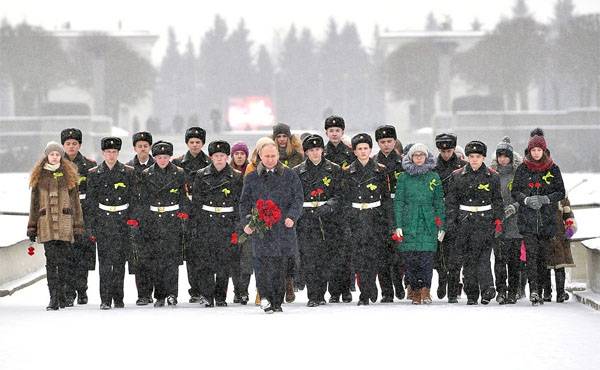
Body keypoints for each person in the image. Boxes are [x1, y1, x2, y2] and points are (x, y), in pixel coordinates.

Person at [239, 137, 304, 313]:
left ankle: (277, 300)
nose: (270, 159)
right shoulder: (252, 177)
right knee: (261, 265)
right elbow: (244, 203)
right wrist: (247, 222)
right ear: (260, 155)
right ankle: (265, 297)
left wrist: (292, 216)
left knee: (280, 266)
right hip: (261, 229)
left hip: (283, 228)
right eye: (266, 155)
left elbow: (298, 199)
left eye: (273, 155)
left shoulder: (289, 175)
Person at [27, 141, 84, 310]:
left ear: (61, 156)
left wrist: (78, 226)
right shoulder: (39, 177)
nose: (54, 157)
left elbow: (76, 204)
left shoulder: (69, 176)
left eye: (57, 154)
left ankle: (64, 295)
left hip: (65, 225)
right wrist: (32, 227)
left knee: (65, 262)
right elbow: (34, 205)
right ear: (47, 156)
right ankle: (53, 298)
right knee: (51, 263)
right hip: (47, 226)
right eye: (52, 154)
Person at [446, 141, 503, 305]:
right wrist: (451, 221)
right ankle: (472, 294)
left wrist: (498, 219)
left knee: (484, 257)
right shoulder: (457, 175)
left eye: (478, 156)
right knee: (469, 260)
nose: (474, 160)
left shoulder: (493, 176)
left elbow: (497, 200)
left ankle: (487, 288)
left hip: (485, 221)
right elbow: (451, 202)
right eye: (471, 156)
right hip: (465, 221)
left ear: (483, 157)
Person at [512, 132, 565, 305]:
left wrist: (546, 198)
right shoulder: (522, 168)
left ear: (544, 150)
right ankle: (533, 290)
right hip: (527, 220)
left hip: (546, 220)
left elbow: (561, 191)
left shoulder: (553, 168)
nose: (535, 153)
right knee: (531, 257)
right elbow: (515, 191)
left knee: (543, 257)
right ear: (529, 150)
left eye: (538, 149)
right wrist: (526, 199)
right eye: (533, 150)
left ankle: (542, 290)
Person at [135, 141, 189, 307]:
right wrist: (143, 221)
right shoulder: (146, 174)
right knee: (156, 260)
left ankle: (172, 293)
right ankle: (159, 295)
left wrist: (183, 213)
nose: (162, 160)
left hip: (172, 219)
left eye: (165, 157)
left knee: (172, 259)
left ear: (170, 157)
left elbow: (183, 196)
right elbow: (143, 200)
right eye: (159, 157)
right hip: (154, 220)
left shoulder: (179, 173)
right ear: (155, 157)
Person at [86, 137, 138, 309]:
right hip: (103, 221)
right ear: (103, 153)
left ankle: (119, 297)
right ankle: (105, 299)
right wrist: (91, 227)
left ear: (118, 153)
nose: (111, 155)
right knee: (105, 262)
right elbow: (91, 202)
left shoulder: (128, 172)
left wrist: (132, 221)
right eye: (108, 152)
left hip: (122, 220)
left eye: (114, 152)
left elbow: (133, 198)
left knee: (120, 262)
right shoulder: (94, 173)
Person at [342, 133, 393, 306]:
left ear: (371, 150)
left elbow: (386, 198)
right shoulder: (348, 172)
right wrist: (347, 221)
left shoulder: (380, 170)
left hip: (375, 217)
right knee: (359, 257)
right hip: (356, 217)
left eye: (366, 148)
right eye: (359, 149)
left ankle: (370, 286)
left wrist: (389, 222)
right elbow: (345, 199)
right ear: (354, 151)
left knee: (374, 255)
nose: (363, 152)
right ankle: (365, 290)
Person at [191, 140, 243, 307]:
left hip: (226, 223)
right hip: (207, 222)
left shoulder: (236, 176)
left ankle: (220, 296)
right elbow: (197, 202)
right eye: (216, 156)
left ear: (227, 157)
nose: (219, 159)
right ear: (211, 157)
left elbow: (238, 203)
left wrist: (237, 226)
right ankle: (207, 295)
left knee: (224, 262)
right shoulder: (201, 175)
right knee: (205, 261)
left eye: (222, 156)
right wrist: (196, 225)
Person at [293, 134, 343, 307]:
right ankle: (313, 294)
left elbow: (340, 194)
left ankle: (324, 292)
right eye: (311, 150)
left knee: (326, 257)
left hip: (329, 220)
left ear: (323, 150)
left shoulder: (334, 170)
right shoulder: (297, 171)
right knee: (309, 258)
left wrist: (329, 206)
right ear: (306, 152)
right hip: (307, 219)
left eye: (318, 149)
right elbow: (294, 196)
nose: (315, 153)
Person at [394, 143, 445, 304]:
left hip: (428, 222)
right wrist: (398, 225)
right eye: (415, 155)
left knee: (427, 259)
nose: (419, 158)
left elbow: (439, 202)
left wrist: (441, 225)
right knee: (411, 259)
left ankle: (426, 290)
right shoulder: (403, 177)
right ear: (410, 157)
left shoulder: (434, 177)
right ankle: (414, 289)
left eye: (421, 155)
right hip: (410, 221)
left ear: (426, 157)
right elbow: (399, 202)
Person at [172, 127, 211, 303]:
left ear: (203, 143)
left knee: (204, 252)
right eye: (191, 142)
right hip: (185, 214)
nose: (195, 145)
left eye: (198, 142)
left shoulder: (210, 161)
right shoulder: (179, 163)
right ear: (187, 143)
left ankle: (204, 288)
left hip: (205, 213)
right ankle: (193, 289)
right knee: (189, 254)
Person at [60, 128, 96, 306]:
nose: (71, 146)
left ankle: (82, 290)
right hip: (65, 215)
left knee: (83, 255)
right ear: (63, 146)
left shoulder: (90, 165)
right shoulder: (57, 165)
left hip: (84, 214)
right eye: (68, 144)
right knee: (66, 255)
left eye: (75, 143)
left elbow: (94, 192)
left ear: (80, 145)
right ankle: (68, 291)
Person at [323, 115, 355, 302]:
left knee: (345, 252)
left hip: (346, 208)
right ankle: (334, 291)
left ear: (343, 132)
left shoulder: (349, 153)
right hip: (327, 209)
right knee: (330, 252)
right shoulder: (322, 152)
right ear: (326, 132)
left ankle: (346, 288)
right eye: (331, 130)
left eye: (337, 130)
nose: (334, 133)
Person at [272, 122, 304, 301]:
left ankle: (290, 282)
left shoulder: (297, 157)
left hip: (292, 208)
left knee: (292, 249)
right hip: (273, 208)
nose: (282, 140)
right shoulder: (268, 155)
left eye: (285, 136)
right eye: (279, 137)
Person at [433, 133, 467, 302]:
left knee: (456, 254)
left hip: (458, 214)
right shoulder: (432, 167)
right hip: (438, 213)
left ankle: (453, 290)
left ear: (454, 149)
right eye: (443, 150)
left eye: (449, 150)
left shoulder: (463, 166)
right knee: (439, 253)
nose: (446, 153)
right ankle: (442, 277)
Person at [374, 125, 405, 302]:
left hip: (399, 209)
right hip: (379, 212)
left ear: (395, 141)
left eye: (389, 141)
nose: (386, 145)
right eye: (382, 142)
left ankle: (399, 282)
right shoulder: (373, 162)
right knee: (382, 254)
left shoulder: (403, 163)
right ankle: (386, 291)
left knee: (399, 254)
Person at [490, 137, 523, 304]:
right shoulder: (492, 174)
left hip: (515, 224)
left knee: (514, 261)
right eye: (499, 155)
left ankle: (513, 290)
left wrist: (515, 206)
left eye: (505, 155)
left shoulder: (518, 174)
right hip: (498, 223)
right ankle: (501, 290)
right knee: (499, 260)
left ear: (511, 156)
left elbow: (524, 195)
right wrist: (497, 212)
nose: (502, 159)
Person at [126, 131, 156, 305]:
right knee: (139, 258)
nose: (143, 149)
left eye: (145, 146)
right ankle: (143, 293)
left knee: (155, 257)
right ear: (135, 148)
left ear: (149, 147)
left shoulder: (158, 164)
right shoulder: (129, 168)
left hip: (156, 217)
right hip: (136, 219)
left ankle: (155, 291)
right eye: (140, 146)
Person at [229, 141, 253, 303]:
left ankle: (244, 290)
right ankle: (237, 290)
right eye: (236, 153)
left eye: (242, 154)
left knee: (247, 257)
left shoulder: (251, 173)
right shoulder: (227, 173)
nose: (239, 156)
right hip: (230, 221)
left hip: (247, 220)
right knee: (233, 258)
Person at [544, 197, 576, 303]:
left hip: (560, 236)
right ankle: (547, 293)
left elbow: (569, 216)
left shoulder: (562, 199)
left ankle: (560, 293)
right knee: (545, 266)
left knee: (560, 266)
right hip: (546, 235)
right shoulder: (541, 194)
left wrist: (570, 229)